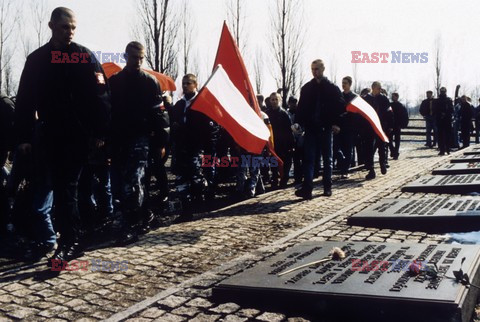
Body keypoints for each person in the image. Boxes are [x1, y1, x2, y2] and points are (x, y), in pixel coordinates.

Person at [14, 7, 110, 265]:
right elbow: (24, 100)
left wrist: (99, 132)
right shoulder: (37, 60)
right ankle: (53, 237)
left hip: (77, 136)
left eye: (73, 28)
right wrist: (23, 136)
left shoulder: (83, 57)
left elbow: (100, 96)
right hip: (47, 134)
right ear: (51, 26)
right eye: (64, 27)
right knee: (46, 188)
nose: (69, 32)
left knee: (68, 190)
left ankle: (69, 242)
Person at [109, 41, 166, 244]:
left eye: (141, 58)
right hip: (119, 140)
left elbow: (160, 116)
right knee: (119, 183)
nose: (138, 61)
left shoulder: (151, 82)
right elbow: (109, 113)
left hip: (141, 139)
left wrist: (160, 143)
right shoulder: (114, 82)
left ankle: (132, 223)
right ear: (126, 57)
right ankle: (140, 215)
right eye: (134, 57)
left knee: (134, 183)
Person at [294, 59, 344, 199]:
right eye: (312, 69)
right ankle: (307, 188)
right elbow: (301, 108)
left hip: (326, 128)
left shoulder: (332, 88)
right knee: (309, 159)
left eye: (317, 69)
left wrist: (336, 123)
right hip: (311, 129)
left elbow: (341, 108)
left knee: (327, 159)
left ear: (323, 69)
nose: (314, 71)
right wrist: (298, 123)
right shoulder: (307, 88)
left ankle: (327, 187)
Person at [170, 74, 218, 209]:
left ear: (195, 85)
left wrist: (208, 146)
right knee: (181, 177)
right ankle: (186, 207)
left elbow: (211, 128)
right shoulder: (179, 105)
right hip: (181, 147)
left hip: (197, 147)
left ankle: (202, 201)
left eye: (188, 83)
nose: (185, 86)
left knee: (198, 177)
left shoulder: (203, 104)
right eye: (183, 83)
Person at [362, 82, 393, 180]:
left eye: (380, 88)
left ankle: (382, 164)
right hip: (369, 127)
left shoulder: (384, 99)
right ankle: (371, 170)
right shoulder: (366, 99)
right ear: (373, 88)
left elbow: (389, 112)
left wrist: (390, 125)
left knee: (382, 146)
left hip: (381, 126)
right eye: (378, 88)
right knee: (369, 149)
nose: (380, 90)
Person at [267, 92, 294, 188]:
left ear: (280, 101)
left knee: (285, 162)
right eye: (272, 99)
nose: (274, 101)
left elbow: (289, 130)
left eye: (276, 99)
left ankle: (284, 179)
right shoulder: (268, 114)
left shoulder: (285, 114)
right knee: (273, 162)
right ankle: (275, 179)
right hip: (273, 142)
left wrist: (291, 144)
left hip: (284, 142)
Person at [434, 87, 454, 155]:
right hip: (439, 120)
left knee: (448, 135)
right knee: (440, 136)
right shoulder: (437, 100)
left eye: (443, 91)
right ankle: (442, 150)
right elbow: (435, 110)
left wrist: (446, 113)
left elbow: (451, 110)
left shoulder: (449, 100)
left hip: (447, 119)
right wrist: (440, 113)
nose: (442, 92)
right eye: (441, 91)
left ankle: (448, 149)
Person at [388, 93, 408, 160]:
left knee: (397, 140)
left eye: (393, 96)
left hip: (397, 125)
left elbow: (404, 116)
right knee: (389, 140)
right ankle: (393, 151)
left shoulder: (401, 106)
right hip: (391, 125)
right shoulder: (390, 105)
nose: (392, 98)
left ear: (397, 97)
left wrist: (402, 124)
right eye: (392, 96)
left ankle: (396, 153)